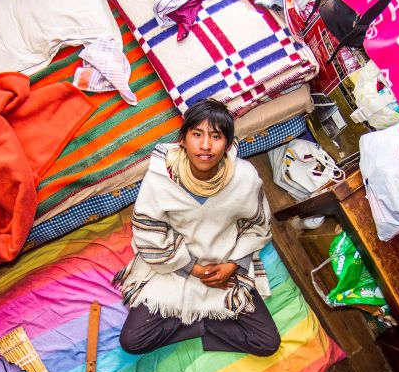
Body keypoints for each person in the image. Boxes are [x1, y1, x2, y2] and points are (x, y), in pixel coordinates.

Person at [115, 99, 281, 356]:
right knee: (132, 341)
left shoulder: (244, 177)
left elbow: (257, 225)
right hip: (173, 266)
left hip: (223, 267)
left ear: (228, 144)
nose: (205, 145)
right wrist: (193, 268)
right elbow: (148, 231)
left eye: (216, 136)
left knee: (267, 343)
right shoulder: (160, 178)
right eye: (197, 134)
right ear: (182, 139)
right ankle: (204, 321)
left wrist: (233, 265)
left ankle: (199, 321)